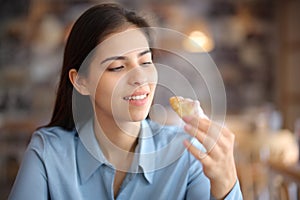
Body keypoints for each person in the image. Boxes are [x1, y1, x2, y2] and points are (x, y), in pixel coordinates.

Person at [9, 3, 242, 200]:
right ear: (80, 81)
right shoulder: (48, 152)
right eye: (117, 67)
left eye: (146, 62)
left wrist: (227, 185)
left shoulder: (188, 153)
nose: (139, 78)